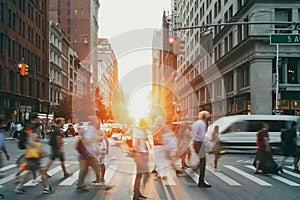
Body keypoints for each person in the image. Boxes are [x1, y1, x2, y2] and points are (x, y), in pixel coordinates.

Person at [76, 116, 113, 192]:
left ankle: (80, 185)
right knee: (96, 169)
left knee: (85, 170)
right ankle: (103, 186)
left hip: (88, 154)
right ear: (93, 122)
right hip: (87, 154)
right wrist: (96, 139)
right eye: (97, 121)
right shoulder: (90, 130)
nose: (98, 123)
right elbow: (86, 141)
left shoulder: (92, 130)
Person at [191, 111, 211, 188]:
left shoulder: (196, 123)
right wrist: (208, 145)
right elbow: (203, 136)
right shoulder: (202, 124)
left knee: (201, 160)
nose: (208, 118)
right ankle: (201, 181)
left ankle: (193, 170)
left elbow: (192, 133)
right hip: (200, 144)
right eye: (208, 117)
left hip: (195, 143)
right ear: (205, 117)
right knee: (203, 162)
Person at [132, 119, 151, 200]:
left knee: (140, 174)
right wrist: (138, 156)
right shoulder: (139, 132)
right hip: (140, 155)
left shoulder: (142, 131)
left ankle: (137, 192)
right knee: (141, 174)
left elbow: (143, 143)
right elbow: (137, 144)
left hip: (142, 154)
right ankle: (136, 193)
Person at [151, 116, 168, 180]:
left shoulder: (154, 127)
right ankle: (165, 175)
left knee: (158, 160)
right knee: (164, 160)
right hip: (163, 145)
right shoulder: (164, 127)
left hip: (157, 145)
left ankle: (159, 175)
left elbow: (152, 134)